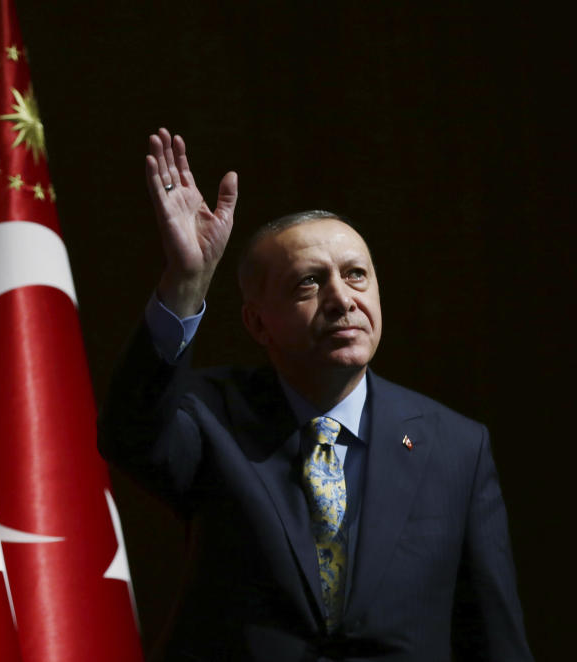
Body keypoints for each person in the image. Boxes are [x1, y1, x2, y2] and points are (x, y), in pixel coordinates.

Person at [97, 128, 532, 661]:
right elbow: (128, 430)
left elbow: (493, 635)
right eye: (309, 282)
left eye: (356, 276)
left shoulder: (458, 447)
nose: (341, 300)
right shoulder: (210, 415)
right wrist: (187, 281)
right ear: (258, 324)